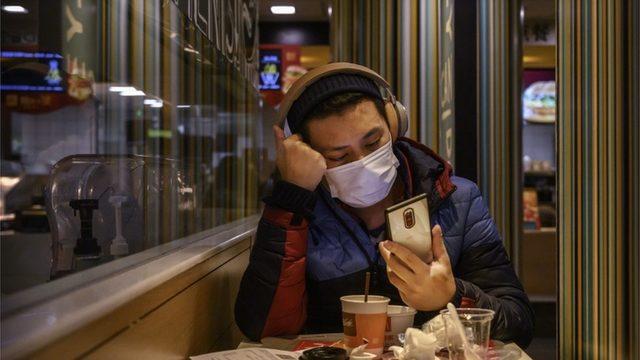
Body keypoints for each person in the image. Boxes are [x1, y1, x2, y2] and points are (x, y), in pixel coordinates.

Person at [235, 63, 534, 348]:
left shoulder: (459, 199)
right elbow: (264, 329)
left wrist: (451, 296)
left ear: (393, 124)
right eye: (338, 157)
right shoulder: (299, 212)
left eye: (373, 142)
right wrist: (291, 197)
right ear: (307, 154)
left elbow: (518, 322)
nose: (362, 162)